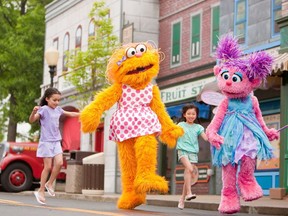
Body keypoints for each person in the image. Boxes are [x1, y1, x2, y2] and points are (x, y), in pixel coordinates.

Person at [29, 87, 80, 205]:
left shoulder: (58, 109)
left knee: (60, 163)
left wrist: (83, 113)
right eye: (54, 100)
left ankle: (49, 183)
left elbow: (71, 113)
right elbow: (32, 120)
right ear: (47, 99)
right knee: (47, 167)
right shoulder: (44, 110)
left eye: (58, 100)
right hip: (46, 142)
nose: (57, 103)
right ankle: (41, 190)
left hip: (56, 141)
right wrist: (33, 111)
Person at [176, 104, 208, 210]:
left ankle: (182, 199)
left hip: (193, 153)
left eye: (193, 114)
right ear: (184, 115)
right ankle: (189, 193)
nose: (191, 116)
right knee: (190, 169)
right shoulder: (180, 125)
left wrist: (215, 133)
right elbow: (172, 133)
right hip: (182, 151)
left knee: (188, 174)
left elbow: (206, 138)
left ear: (196, 115)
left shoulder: (198, 127)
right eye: (188, 113)